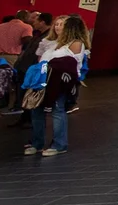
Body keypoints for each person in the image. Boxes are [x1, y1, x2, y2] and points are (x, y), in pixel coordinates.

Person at [28, 17, 88, 157]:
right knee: (37, 110)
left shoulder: (76, 43)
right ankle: (37, 143)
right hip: (43, 80)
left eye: (62, 25)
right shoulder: (53, 43)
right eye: (57, 24)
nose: (58, 27)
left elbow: (69, 63)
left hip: (60, 82)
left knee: (57, 110)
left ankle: (59, 144)